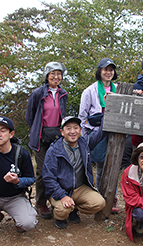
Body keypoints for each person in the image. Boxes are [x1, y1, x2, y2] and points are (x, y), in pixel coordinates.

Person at [42, 116, 106, 230]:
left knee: (99, 203)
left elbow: (102, 131)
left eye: (76, 128)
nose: (72, 131)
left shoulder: (84, 143)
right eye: (68, 128)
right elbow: (48, 178)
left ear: (80, 130)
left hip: (79, 188)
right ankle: (60, 217)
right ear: (62, 132)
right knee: (63, 210)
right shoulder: (54, 150)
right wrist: (62, 196)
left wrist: (108, 108)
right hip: (60, 190)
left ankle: (73, 209)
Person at [26, 61, 68, 220]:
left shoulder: (63, 94)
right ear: (46, 76)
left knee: (57, 170)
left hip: (56, 137)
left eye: (59, 74)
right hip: (40, 138)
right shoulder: (38, 93)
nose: (56, 77)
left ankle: (55, 200)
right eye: (53, 74)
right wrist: (38, 130)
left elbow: (61, 115)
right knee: (43, 171)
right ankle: (41, 203)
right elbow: (30, 115)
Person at [78, 58, 119, 213]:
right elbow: (82, 117)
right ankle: (100, 197)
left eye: (111, 69)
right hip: (97, 133)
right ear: (99, 71)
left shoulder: (119, 88)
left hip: (115, 133)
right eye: (105, 69)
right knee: (101, 167)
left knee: (114, 166)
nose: (108, 72)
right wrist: (84, 137)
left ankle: (113, 199)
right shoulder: (90, 91)